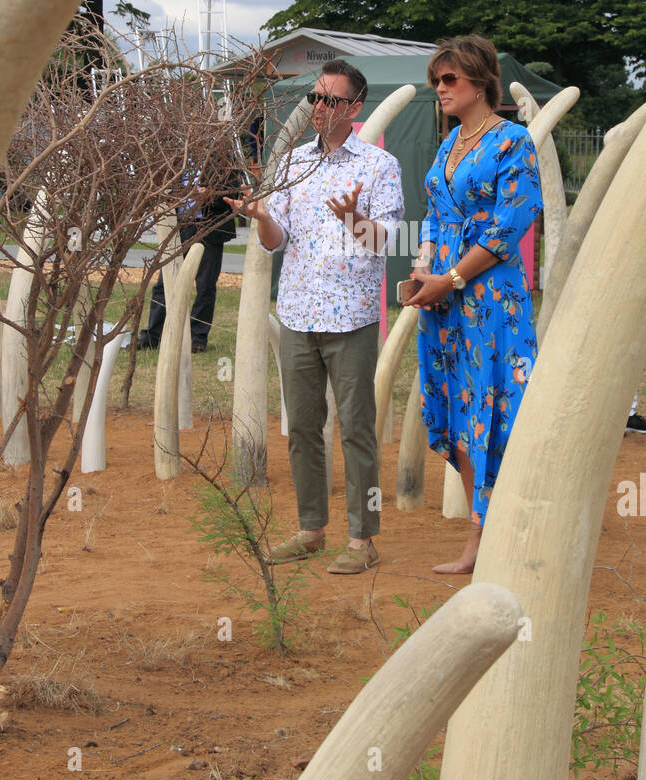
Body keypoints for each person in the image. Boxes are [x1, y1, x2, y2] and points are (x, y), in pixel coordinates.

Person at [229, 60, 404, 574]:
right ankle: (311, 531)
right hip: (298, 314)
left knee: (356, 429)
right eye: (315, 98)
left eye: (331, 100)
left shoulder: (378, 167)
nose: (319, 108)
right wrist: (262, 219)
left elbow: (387, 243)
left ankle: (363, 540)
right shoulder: (293, 165)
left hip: (351, 318)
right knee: (303, 428)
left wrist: (353, 219)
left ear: (356, 108)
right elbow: (276, 241)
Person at [407, 35, 543, 574]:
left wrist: (453, 278)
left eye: (449, 80)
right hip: (443, 299)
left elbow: (512, 222)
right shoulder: (449, 144)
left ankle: (508, 535)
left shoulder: (513, 142)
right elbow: (439, 216)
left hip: (490, 301)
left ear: (480, 82)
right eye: (436, 81)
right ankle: (479, 540)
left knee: (496, 413)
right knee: (458, 412)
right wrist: (424, 274)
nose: (440, 89)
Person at [137, 165, 239, 354]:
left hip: (210, 226)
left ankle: (197, 338)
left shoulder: (221, 154)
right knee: (165, 282)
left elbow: (234, 190)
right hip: (180, 226)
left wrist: (211, 195)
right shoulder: (176, 155)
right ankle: (153, 336)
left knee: (205, 285)